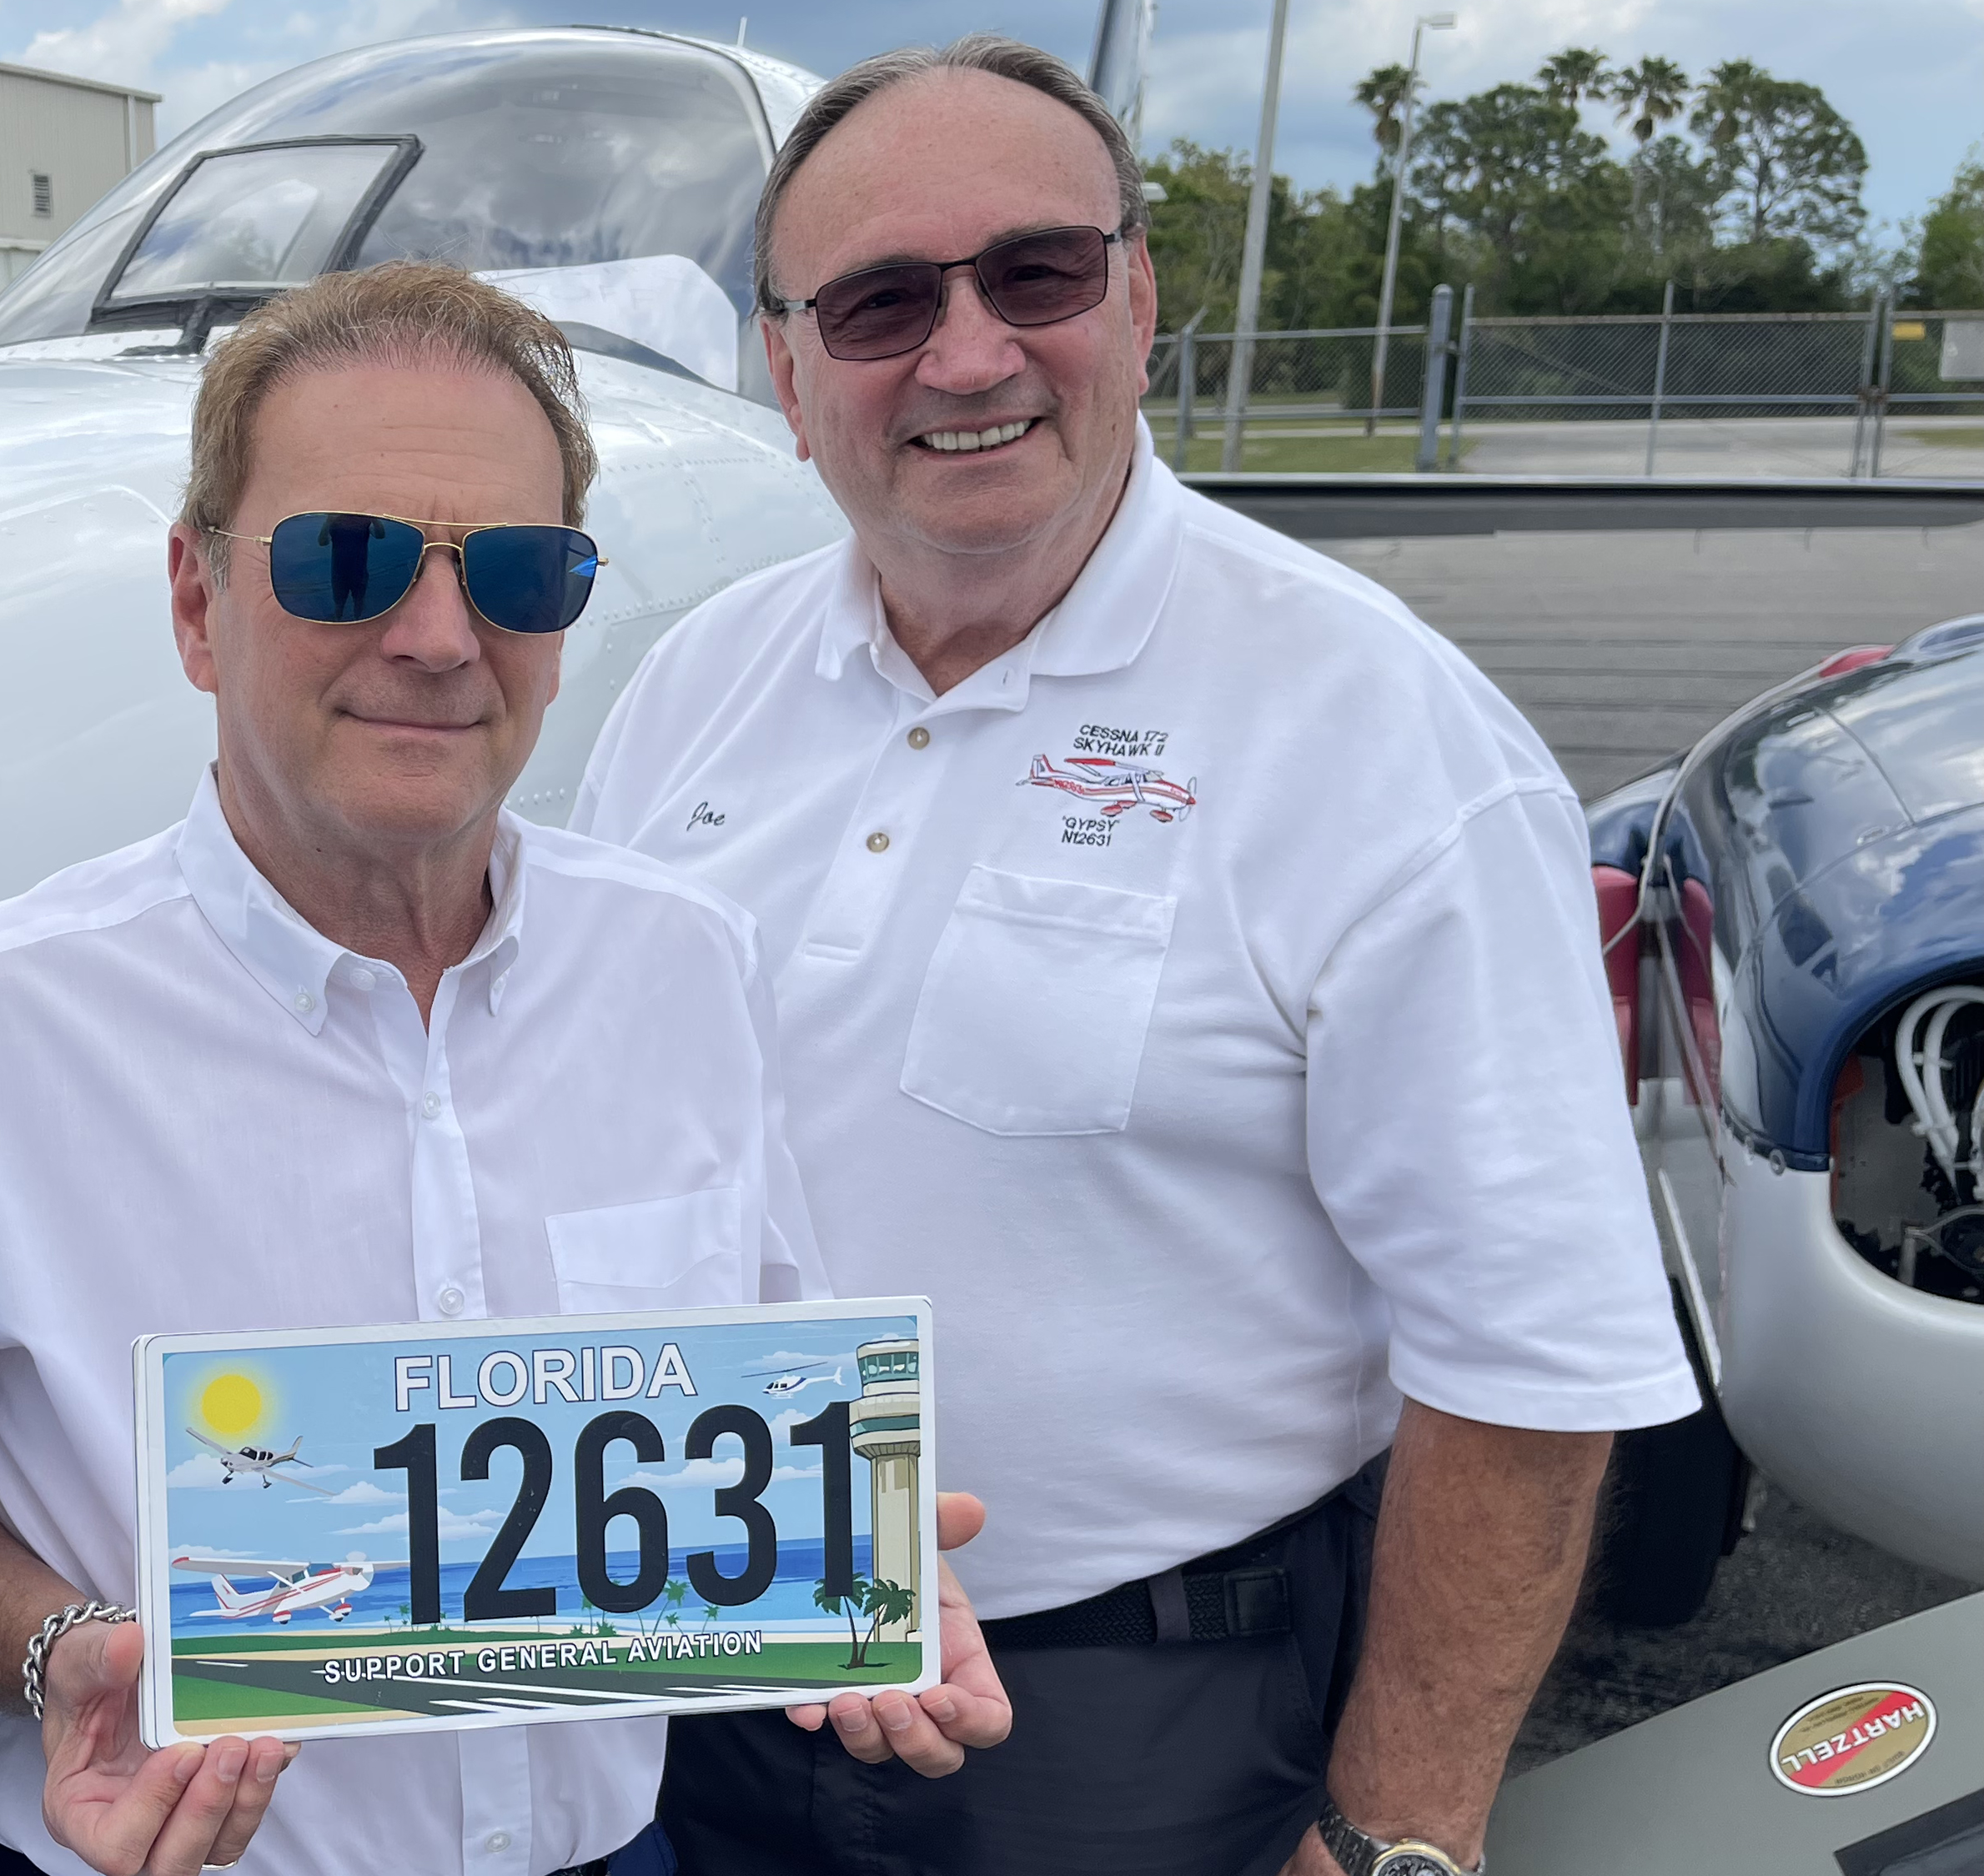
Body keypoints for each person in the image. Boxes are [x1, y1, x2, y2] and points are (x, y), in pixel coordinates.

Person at [574, 37, 1699, 1876]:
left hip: (1129, 1732)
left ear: (1137, 294)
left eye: (1032, 274)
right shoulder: (694, 686)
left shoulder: (1374, 729)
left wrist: (1399, 1830)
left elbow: (1527, 1355)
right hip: (698, 1671)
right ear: (784, 375)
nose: (962, 355)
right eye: (874, 306)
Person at [0, 262, 1013, 1876]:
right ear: (196, 602)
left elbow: (752, 1379)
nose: (440, 636)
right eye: (345, 560)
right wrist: (67, 1651)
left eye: (518, 573)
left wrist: (855, 1576)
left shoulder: (684, 968)